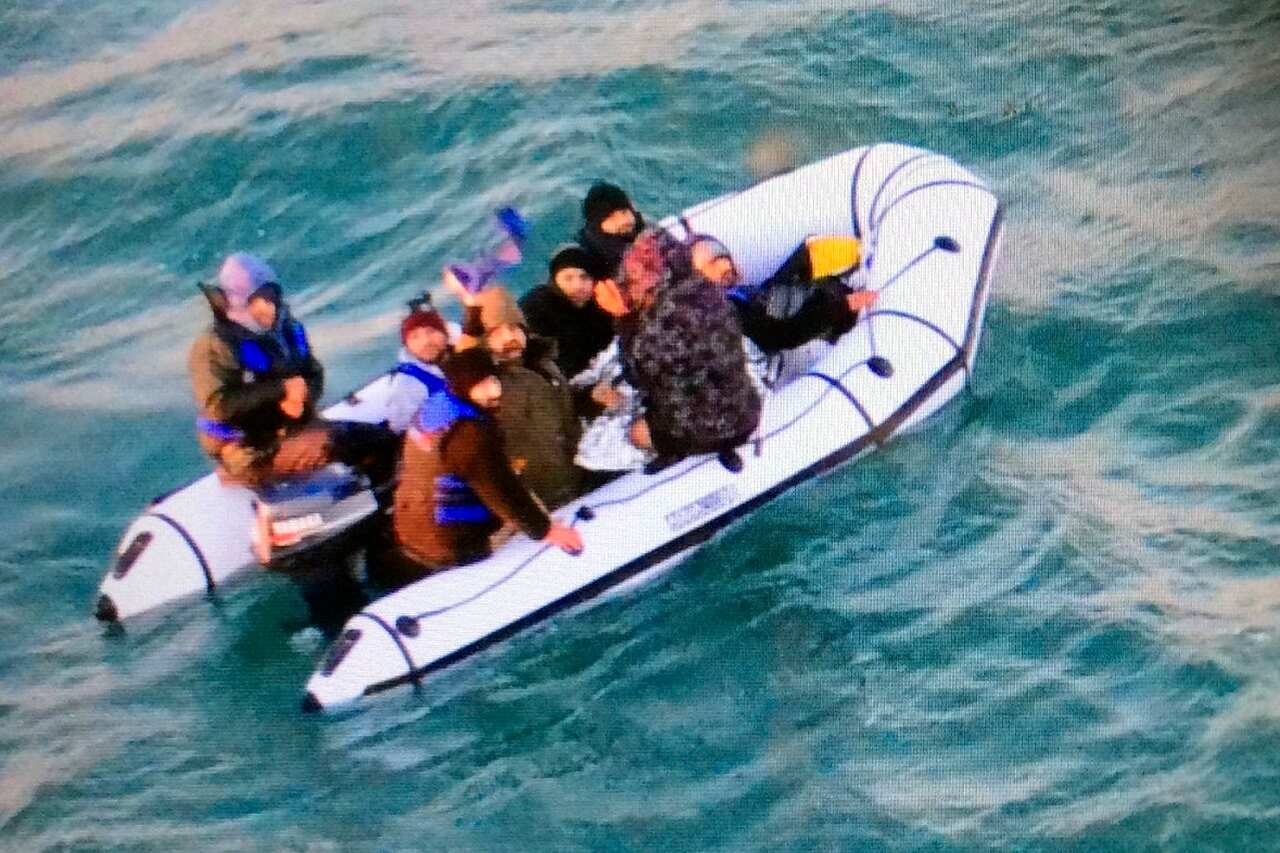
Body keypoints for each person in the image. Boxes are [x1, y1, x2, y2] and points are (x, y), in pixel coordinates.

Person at [190, 252, 397, 489]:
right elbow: (219, 405)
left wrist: (302, 398)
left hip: (292, 427)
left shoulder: (286, 328)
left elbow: (313, 371)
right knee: (347, 444)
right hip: (248, 448)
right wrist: (281, 390)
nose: (268, 306)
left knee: (380, 439)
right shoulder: (215, 346)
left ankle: (370, 485)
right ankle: (245, 475)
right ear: (237, 302)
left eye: (271, 297)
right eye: (257, 299)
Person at [384, 348, 582, 587]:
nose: (493, 391)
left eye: (493, 381)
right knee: (527, 500)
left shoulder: (432, 409)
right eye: (482, 385)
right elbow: (501, 490)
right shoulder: (470, 434)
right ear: (464, 388)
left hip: (411, 531)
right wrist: (545, 530)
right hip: (457, 545)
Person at [599, 230, 761, 475]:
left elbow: (637, 378)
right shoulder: (710, 293)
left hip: (696, 432)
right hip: (744, 417)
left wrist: (624, 318)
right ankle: (728, 448)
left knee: (637, 432)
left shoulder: (660, 321)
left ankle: (674, 452)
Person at [450, 275, 585, 509]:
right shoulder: (489, 385)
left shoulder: (542, 362)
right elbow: (462, 362)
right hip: (543, 498)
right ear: (483, 341)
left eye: (514, 328)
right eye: (495, 332)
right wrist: (472, 312)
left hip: (577, 474)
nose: (509, 338)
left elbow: (563, 414)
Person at [689, 234, 879, 353]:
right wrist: (843, 305)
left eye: (717, 253)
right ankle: (860, 266)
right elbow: (778, 335)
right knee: (813, 278)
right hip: (804, 336)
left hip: (782, 308)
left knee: (809, 251)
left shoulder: (736, 296)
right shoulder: (729, 312)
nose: (719, 263)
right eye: (705, 268)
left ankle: (860, 257)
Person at [518, 244, 615, 380]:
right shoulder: (538, 309)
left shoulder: (601, 300)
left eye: (584, 277)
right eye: (568, 278)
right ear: (555, 280)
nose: (578, 285)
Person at [384, 301, 450, 434]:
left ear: (445, 333)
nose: (426, 341)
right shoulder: (407, 383)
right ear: (406, 345)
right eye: (415, 337)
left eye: (431, 331)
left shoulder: (457, 354)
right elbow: (402, 430)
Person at [577, 182, 644, 283]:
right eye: (611, 218)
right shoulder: (594, 250)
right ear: (597, 225)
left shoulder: (640, 226)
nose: (623, 221)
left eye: (624, 212)